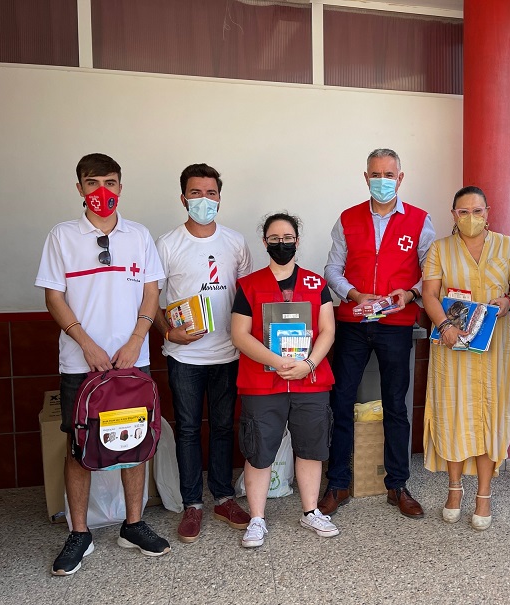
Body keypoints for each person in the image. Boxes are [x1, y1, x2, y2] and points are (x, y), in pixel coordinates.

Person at [36, 153, 170, 576]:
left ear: (121, 186)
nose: (102, 192)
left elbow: (151, 292)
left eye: (110, 182)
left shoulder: (139, 235)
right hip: (81, 363)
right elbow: (53, 296)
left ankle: (134, 524)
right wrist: (86, 343)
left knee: (133, 441)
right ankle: (79, 532)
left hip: (134, 361)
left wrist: (135, 340)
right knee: (80, 446)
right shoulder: (62, 236)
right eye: (92, 183)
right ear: (79, 188)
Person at [319, 148, 436, 519]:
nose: (382, 180)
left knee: (396, 407)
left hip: (397, 325)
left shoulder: (420, 220)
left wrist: (412, 293)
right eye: (375, 174)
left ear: (400, 178)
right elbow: (331, 269)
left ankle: (397, 485)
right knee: (341, 402)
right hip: (352, 323)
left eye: (389, 174)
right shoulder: (347, 219)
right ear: (365, 177)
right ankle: (337, 483)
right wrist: (353, 294)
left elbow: (431, 272)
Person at [154, 163, 253, 543]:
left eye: (211, 193)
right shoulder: (167, 244)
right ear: (183, 199)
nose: (204, 200)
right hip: (185, 359)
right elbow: (150, 300)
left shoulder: (235, 242)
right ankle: (193, 503)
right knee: (190, 430)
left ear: (219, 199)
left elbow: (246, 296)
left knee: (225, 427)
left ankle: (224, 497)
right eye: (196, 193)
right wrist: (169, 331)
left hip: (228, 354)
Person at [421, 186, 510, 531]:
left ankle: (484, 495)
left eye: (477, 211)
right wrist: (444, 324)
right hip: (452, 347)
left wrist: (509, 302)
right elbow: (429, 294)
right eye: (463, 212)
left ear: (488, 212)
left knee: (487, 416)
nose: (471, 218)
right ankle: (454, 491)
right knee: (453, 413)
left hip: (492, 348)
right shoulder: (440, 249)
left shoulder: (507, 247)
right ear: (454, 215)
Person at [231, 212, 339, 546]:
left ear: (297, 240)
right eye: (275, 239)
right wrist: (277, 361)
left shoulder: (314, 283)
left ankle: (310, 512)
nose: (282, 244)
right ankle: (257, 519)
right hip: (262, 382)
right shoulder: (248, 285)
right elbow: (240, 334)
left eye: (288, 238)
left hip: (310, 380)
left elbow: (328, 330)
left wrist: (308, 364)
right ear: (264, 242)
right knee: (259, 451)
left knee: (310, 447)